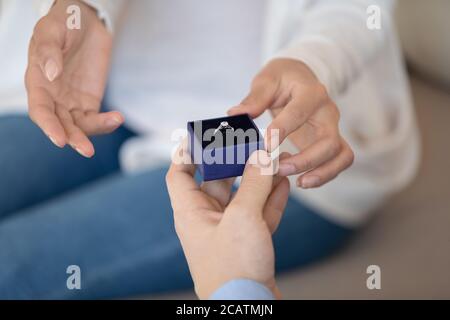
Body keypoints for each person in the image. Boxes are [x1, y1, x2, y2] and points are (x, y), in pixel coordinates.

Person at [0, 0, 419, 299]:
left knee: (12, 268)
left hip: (266, 138)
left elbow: (358, 9)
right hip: (111, 103)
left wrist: (310, 65)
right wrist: (85, 8)